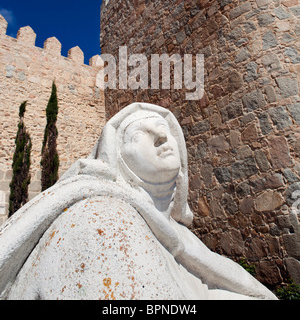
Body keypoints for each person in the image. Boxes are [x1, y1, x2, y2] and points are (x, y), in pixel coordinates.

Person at [0, 103, 277, 300]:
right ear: (117, 157)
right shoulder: (104, 219)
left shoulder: (180, 236)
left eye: (163, 129)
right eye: (137, 135)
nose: (162, 137)